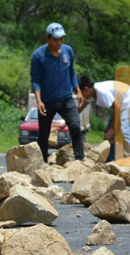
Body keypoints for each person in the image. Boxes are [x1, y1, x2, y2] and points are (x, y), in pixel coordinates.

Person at [30, 22, 84, 162]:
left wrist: (78, 90)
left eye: (61, 39)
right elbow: (35, 80)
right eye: (55, 39)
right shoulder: (38, 56)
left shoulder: (68, 51)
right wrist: (39, 100)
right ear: (48, 38)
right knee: (44, 134)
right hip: (47, 101)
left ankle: (79, 159)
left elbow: (71, 71)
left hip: (66, 99)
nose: (59, 42)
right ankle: (42, 162)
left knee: (75, 126)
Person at [78, 75, 130, 161]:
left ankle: (129, 161)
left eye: (79, 93)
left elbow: (118, 108)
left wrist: (112, 128)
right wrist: (66, 121)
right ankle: (110, 160)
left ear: (86, 89)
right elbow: (79, 109)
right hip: (119, 107)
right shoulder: (90, 94)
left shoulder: (102, 92)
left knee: (124, 132)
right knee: (108, 136)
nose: (79, 96)